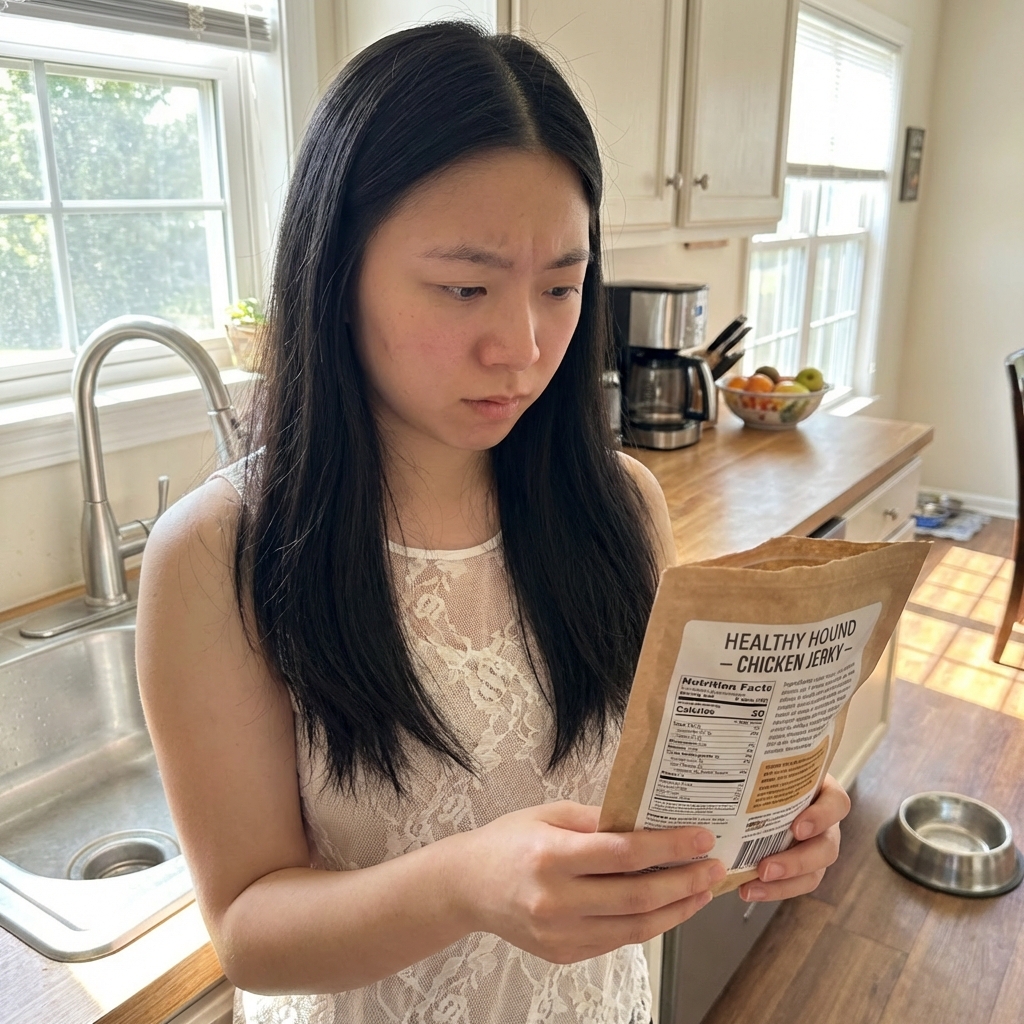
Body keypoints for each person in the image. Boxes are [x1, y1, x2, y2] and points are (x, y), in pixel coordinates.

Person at [137, 21, 850, 1024]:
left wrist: (764, 813)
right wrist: (465, 884)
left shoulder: (620, 507)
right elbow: (247, 931)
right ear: (338, 273)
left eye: (560, 286)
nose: (520, 346)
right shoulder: (221, 554)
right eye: (463, 287)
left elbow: (649, 791)